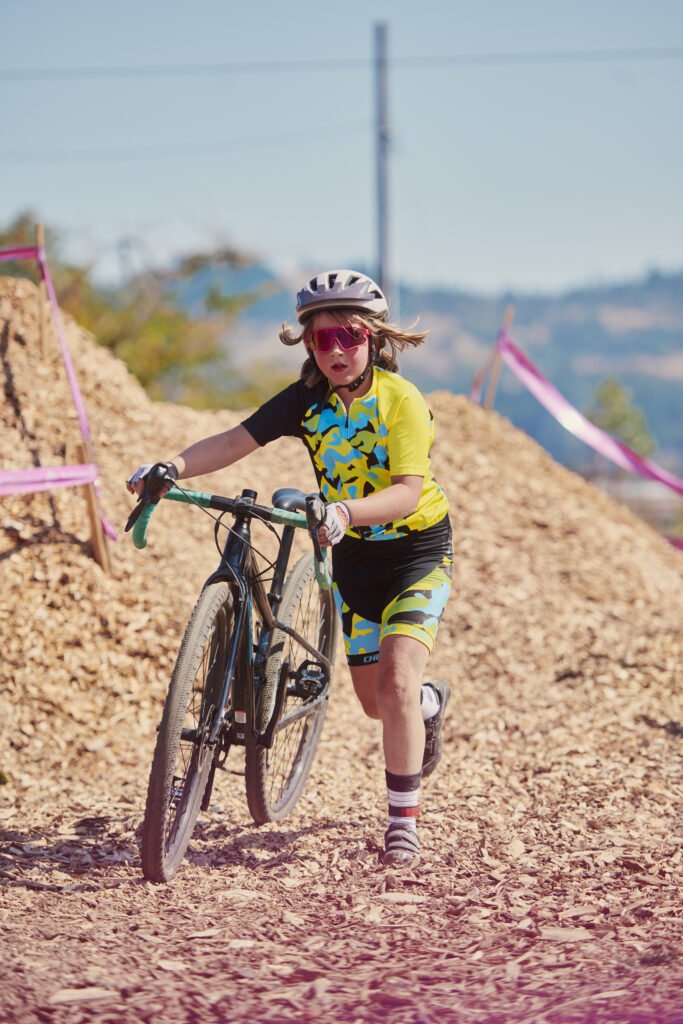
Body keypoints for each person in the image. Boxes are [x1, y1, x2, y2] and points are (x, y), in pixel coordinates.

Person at [127, 269, 453, 868]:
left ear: (373, 339)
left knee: (396, 683)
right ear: (307, 343)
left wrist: (344, 510)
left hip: (415, 553)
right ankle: (428, 706)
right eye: (322, 338)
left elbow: (408, 491)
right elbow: (234, 440)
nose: (336, 350)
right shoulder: (306, 400)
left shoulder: (401, 400)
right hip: (351, 555)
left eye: (349, 336)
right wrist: (170, 467)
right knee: (376, 702)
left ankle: (402, 824)